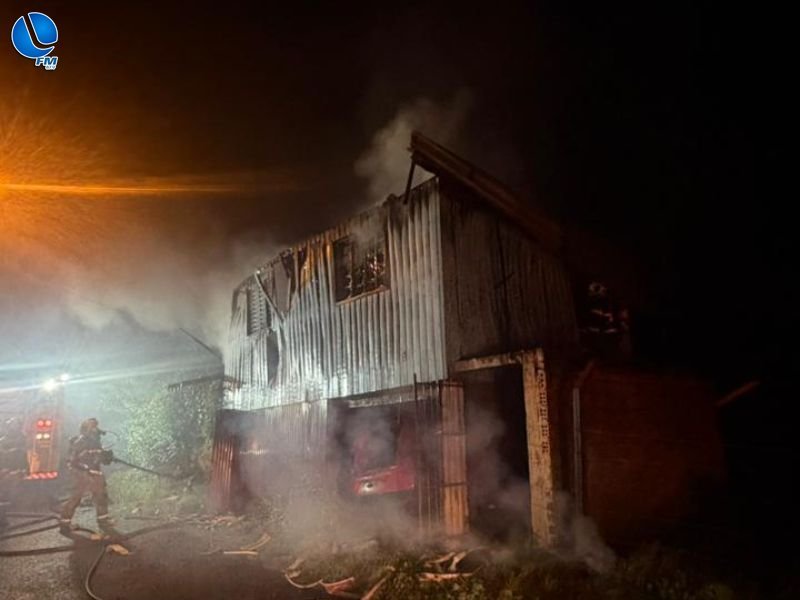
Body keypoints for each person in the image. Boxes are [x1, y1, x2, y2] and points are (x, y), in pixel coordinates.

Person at [59, 418, 115, 534]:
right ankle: (65, 524)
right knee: (75, 498)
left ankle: (103, 521)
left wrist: (106, 457)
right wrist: (85, 468)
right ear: (86, 429)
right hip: (80, 474)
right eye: (92, 427)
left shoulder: (95, 441)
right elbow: (73, 460)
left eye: (96, 426)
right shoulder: (80, 441)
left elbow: (99, 458)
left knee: (101, 496)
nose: (95, 429)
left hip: (94, 472)